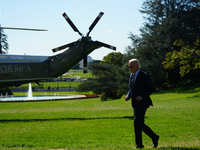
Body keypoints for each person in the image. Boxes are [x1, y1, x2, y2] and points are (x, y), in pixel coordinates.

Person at [125, 59, 159, 148]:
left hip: (143, 103)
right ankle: (154, 137)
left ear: (137, 66)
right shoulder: (131, 75)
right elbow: (131, 88)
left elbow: (151, 88)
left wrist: (141, 96)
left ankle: (139, 145)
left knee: (137, 123)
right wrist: (128, 95)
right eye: (129, 66)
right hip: (135, 104)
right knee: (139, 124)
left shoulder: (144, 75)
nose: (130, 68)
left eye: (131, 66)